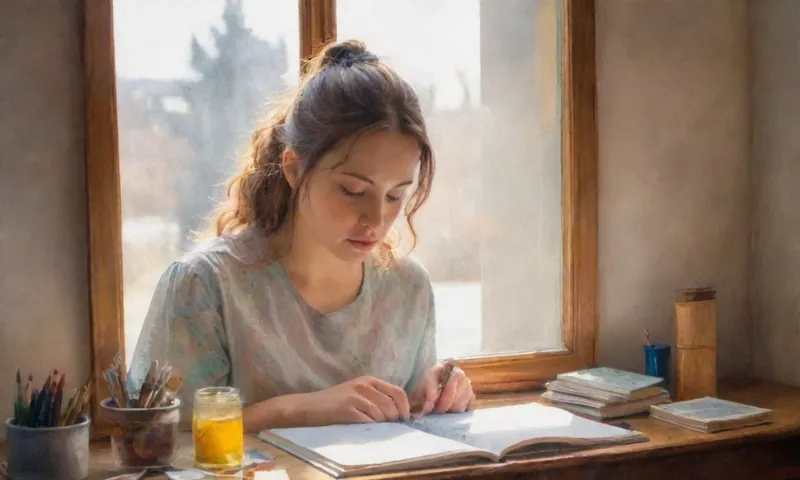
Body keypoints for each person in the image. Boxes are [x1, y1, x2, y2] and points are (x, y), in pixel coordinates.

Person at [128, 40, 475, 433]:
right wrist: (298, 410)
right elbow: (153, 439)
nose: (376, 219)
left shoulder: (408, 289)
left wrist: (438, 396)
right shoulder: (205, 286)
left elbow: (409, 431)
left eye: (396, 195)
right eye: (353, 190)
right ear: (293, 168)